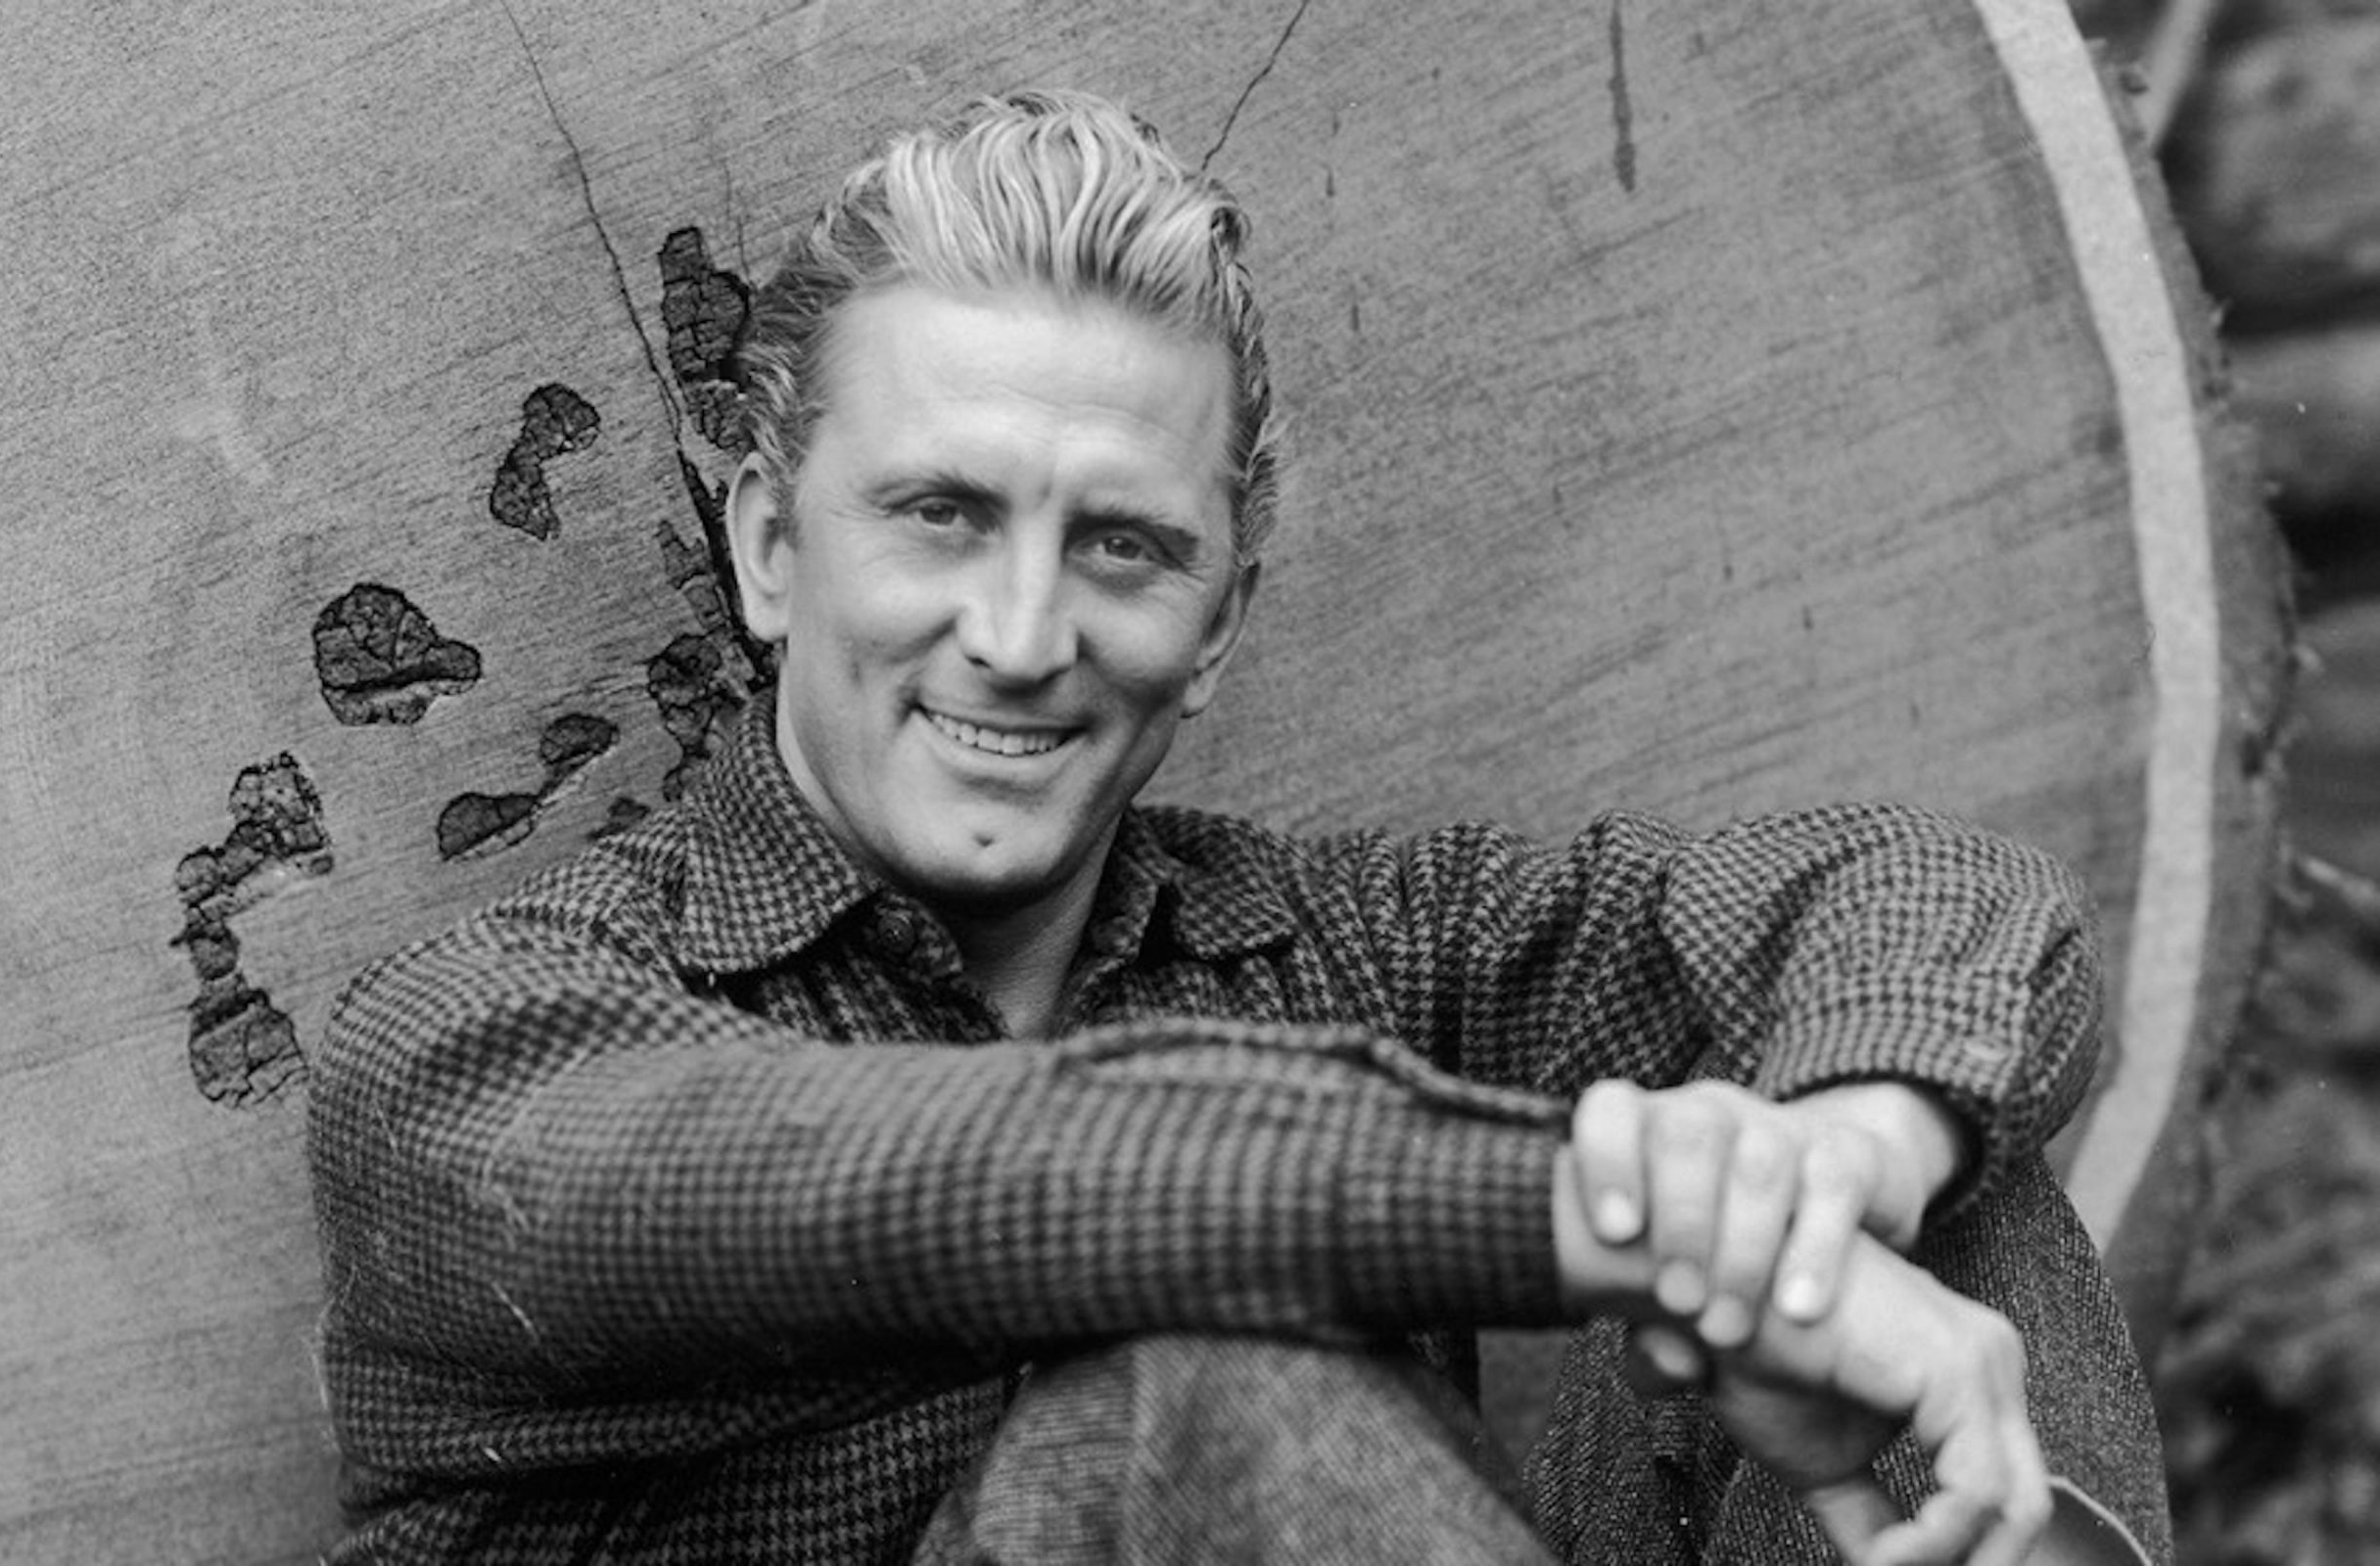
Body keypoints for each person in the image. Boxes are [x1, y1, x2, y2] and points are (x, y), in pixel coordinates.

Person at [307, 90, 2170, 1565]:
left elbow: (1933, 896)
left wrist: (1831, 1171)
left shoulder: (1338, 950)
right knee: (1199, 1401)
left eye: (1121, 545)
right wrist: (1622, 1216)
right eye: (942, 515)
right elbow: (953, 1183)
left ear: (1217, 621)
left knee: (1918, 1162)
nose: (1020, 635)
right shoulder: (474, 1049)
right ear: (771, 548)